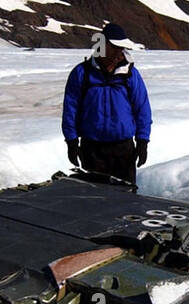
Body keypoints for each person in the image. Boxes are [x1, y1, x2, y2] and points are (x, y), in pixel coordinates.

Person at [62, 23, 152, 185]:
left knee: (125, 199)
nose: (119, 52)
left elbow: (142, 109)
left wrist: (142, 141)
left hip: (123, 149)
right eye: (115, 47)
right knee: (95, 201)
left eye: (121, 47)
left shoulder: (130, 75)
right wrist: (72, 141)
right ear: (103, 45)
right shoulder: (82, 73)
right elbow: (71, 109)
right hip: (92, 149)